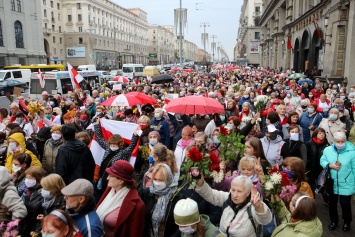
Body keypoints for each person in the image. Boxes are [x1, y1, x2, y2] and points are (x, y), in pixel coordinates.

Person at [195, 175, 272, 236]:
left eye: (239, 191)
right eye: (233, 190)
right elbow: (211, 195)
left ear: (248, 193)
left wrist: (259, 207)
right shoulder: (227, 198)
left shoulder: (253, 206)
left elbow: (266, 219)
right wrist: (200, 183)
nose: (235, 195)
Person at [96, 160, 145, 237]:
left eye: (111, 176)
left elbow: (135, 233)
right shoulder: (110, 189)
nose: (107, 178)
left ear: (121, 181)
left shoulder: (137, 205)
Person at [94, 118, 139, 199]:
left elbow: (132, 145)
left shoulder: (123, 153)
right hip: (103, 179)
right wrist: (97, 125)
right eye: (111, 145)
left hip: (114, 182)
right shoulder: (108, 148)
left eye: (115, 145)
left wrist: (135, 135)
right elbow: (99, 139)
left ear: (120, 144)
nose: (112, 147)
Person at [320, 132, 355, 232]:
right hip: (332, 182)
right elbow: (322, 160)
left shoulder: (352, 152)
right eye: (338, 141)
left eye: (342, 141)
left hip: (347, 181)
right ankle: (334, 221)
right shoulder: (327, 150)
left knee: (345, 203)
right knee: (332, 203)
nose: (340, 143)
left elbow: (354, 167)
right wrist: (329, 165)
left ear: (346, 141)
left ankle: (347, 221)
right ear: (334, 141)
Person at [141, 164, 181, 237]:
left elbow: (180, 226)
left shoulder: (176, 197)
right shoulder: (147, 193)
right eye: (155, 179)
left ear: (168, 180)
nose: (157, 182)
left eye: (161, 180)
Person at [22, 166, 45, 235]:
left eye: (31, 178)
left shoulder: (43, 192)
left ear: (38, 179)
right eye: (26, 177)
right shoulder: (27, 189)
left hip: (36, 226)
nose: (27, 180)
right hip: (26, 224)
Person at [305, 128, 329, 192]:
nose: (322, 135)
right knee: (311, 185)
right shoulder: (309, 144)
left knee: (322, 186)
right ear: (315, 134)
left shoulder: (327, 145)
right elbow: (306, 156)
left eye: (323, 133)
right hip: (311, 169)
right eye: (320, 133)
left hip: (321, 169)